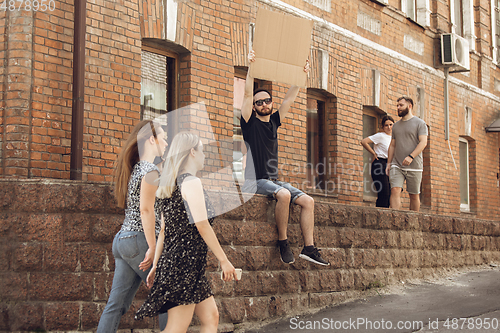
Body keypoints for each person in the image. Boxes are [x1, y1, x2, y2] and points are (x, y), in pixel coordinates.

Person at [135, 132, 238, 333]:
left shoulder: (169, 185)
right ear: (192, 152)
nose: (205, 156)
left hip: (184, 265)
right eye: (202, 150)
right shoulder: (191, 182)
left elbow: (164, 230)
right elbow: (202, 225)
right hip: (184, 266)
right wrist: (224, 260)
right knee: (175, 328)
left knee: (211, 318)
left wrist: (157, 264)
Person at [240, 50, 329, 266]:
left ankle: (308, 248)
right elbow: (245, 94)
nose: (263, 104)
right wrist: (251, 68)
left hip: (274, 180)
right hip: (254, 181)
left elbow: (290, 97)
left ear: (271, 103)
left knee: (308, 201)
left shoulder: (274, 121)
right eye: (259, 102)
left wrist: (302, 75)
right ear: (253, 107)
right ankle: (283, 242)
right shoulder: (248, 123)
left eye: (267, 101)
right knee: (284, 195)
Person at [97, 120, 168, 332]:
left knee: (116, 305)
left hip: (123, 240)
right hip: (138, 240)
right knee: (168, 296)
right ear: (151, 139)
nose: (166, 142)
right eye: (163, 137)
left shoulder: (137, 168)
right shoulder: (150, 171)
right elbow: (147, 210)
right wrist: (153, 247)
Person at [385, 96, 428, 212]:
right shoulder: (396, 126)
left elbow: (423, 142)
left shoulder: (420, 123)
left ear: (409, 106)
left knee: (414, 195)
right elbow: (392, 145)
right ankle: (395, 218)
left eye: (401, 105)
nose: (398, 108)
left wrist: (411, 156)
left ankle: (412, 222)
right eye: (397, 105)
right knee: (394, 190)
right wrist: (389, 164)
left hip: (414, 166)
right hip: (397, 164)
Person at [361, 115, 395, 208]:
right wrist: (373, 153)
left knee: (390, 193)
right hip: (380, 164)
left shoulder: (395, 138)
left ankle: (384, 215)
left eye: (391, 125)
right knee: (384, 192)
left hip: (390, 165)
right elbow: (364, 141)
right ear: (383, 127)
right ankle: (380, 214)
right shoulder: (380, 136)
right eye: (386, 125)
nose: (389, 127)